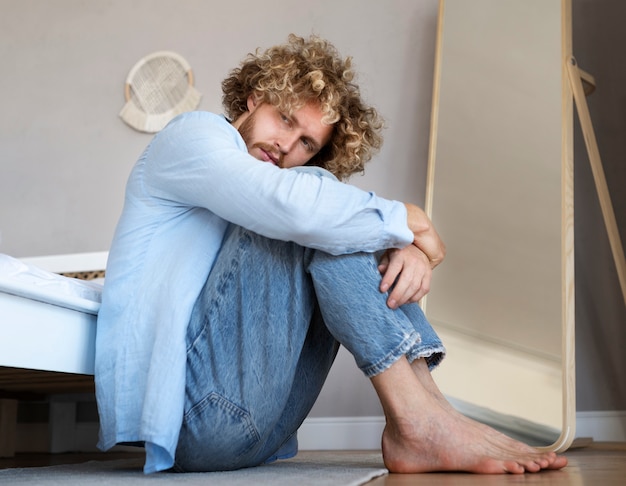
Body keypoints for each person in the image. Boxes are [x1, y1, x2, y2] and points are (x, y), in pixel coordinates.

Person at [95, 34, 567, 475]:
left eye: (307, 144)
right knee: (310, 201)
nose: (286, 146)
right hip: (186, 418)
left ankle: (430, 412)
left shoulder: (289, 190)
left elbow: (323, 218)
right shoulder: (191, 136)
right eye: (285, 119)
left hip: (265, 424)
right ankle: (420, 421)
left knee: (328, 216)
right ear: (255, 97)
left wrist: (404, 245)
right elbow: (296, 210)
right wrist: (410, 222)